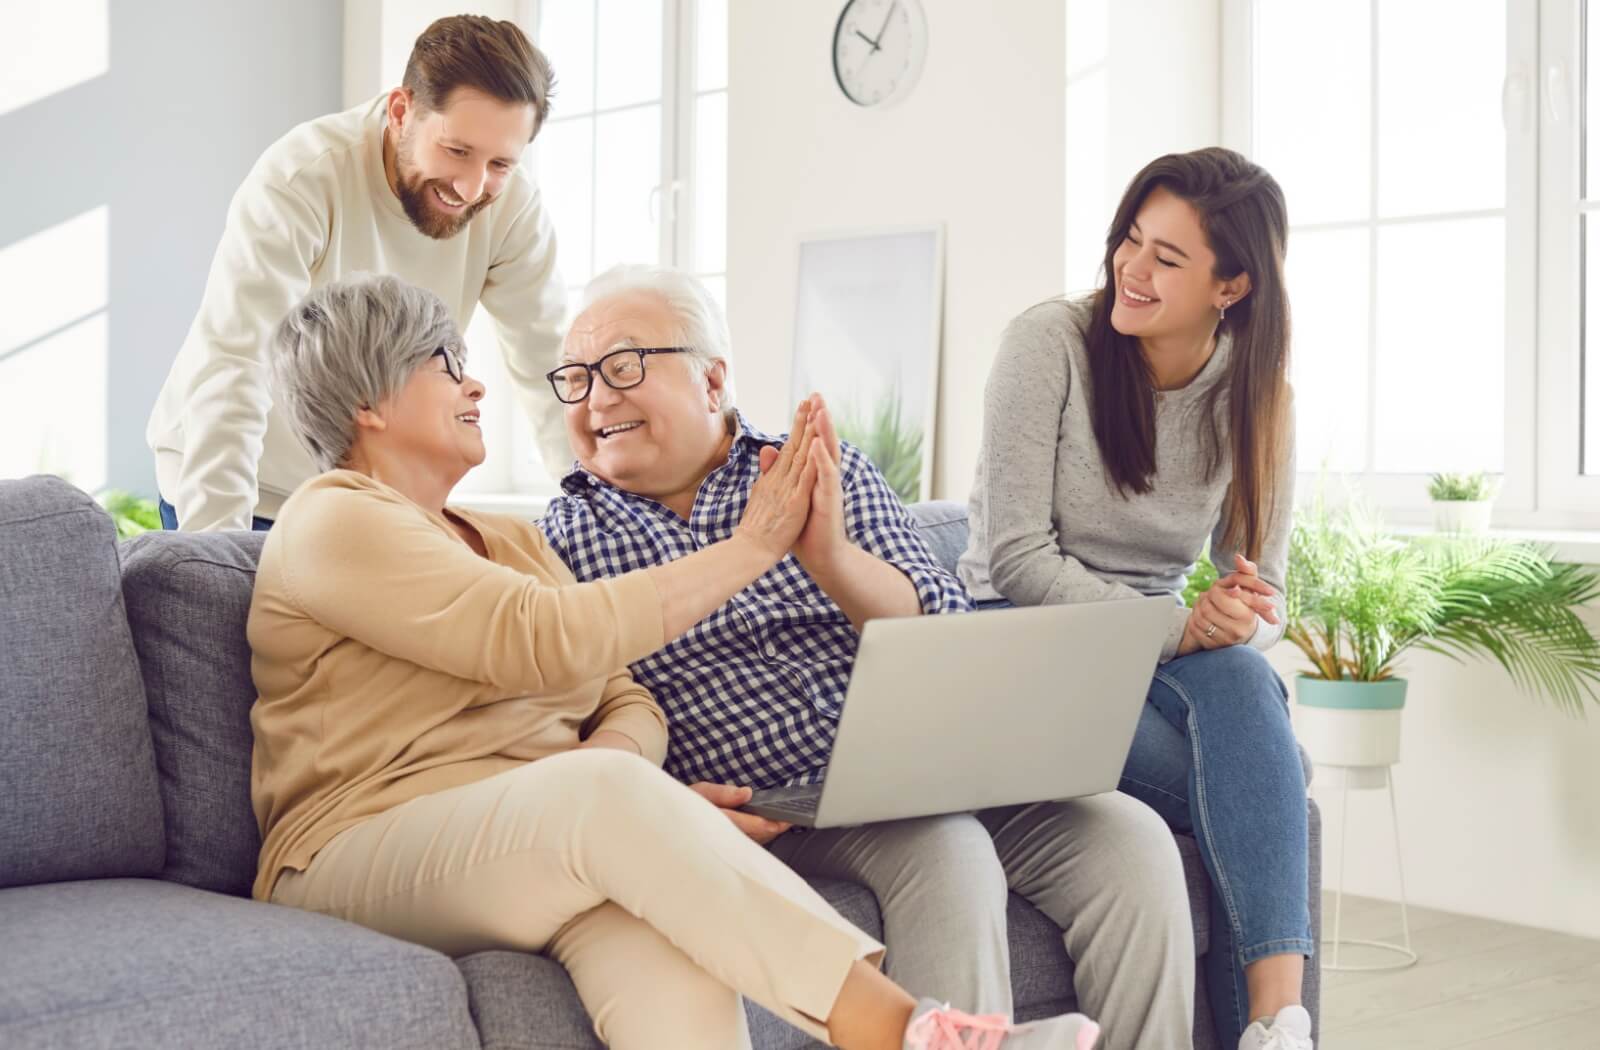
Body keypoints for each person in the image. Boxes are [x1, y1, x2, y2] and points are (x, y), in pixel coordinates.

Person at [248, 273, 1103, 1050]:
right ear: (370, 400)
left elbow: (624, 693)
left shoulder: (506, 539)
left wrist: (617, 770)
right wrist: (756, 544)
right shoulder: (332, 519)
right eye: (445, 364)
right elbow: (535, 635)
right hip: (356, 850)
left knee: (673, 952)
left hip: (533, 838)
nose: (475, 384)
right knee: (597, 801)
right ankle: (917, 1034)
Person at [539, 264, 1197, 1050]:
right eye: (575, 380)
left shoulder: (824, 470)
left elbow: (946, 629)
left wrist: (833, 560)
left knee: (1131, 838)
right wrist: (665, 805)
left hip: (931, 761)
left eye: (622, 367)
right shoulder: (562, 538)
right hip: (782, 803)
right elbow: (570, 722)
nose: (596, 399)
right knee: (946, 848)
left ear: (712, 380)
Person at [958, 147, 1313, 1050]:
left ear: (1230, 287)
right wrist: (1180, 627)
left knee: (1243, 686)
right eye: (1131, 238)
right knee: (1252, 784)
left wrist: (1234, 617)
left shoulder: (1257, 392)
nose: (1132, 266)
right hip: (1024, 637)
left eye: (1167, 257)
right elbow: (1015, 561)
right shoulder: (1048, 345)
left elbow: (1257, 587)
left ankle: (1280, 1024)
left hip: (1161, 653)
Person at [147, 15, 570, 533]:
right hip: (240, 486)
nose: (471, 186)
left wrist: (603, 507)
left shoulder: (513, 210)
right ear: (401, 111)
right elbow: (235, 364)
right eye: (456, 150)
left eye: (501, 164)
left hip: (366, 500)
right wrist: (217, 546)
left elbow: (549, 368)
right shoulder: (303, 178)